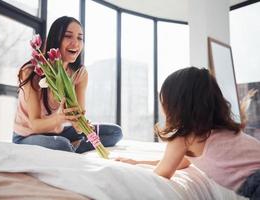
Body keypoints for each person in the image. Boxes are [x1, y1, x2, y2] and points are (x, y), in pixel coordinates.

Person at [116, 67, 260, 199]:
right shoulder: (222, 130)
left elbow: (162, 172)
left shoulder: (183, 137)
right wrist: (138, 162)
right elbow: (181, 162)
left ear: (174, 105)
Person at [13, 16, 122, 153]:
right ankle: (70, 147)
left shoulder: (79, 74)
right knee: (62, 145)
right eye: (68, 36)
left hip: (57, 132)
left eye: (80, 38)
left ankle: (73, 147)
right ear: (55, 38)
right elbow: (35, 125)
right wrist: (60, 117)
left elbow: (77, 118)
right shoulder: (31, 71)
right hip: (27, 136)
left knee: (114, 132)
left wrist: (81, 125)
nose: (75, 43)